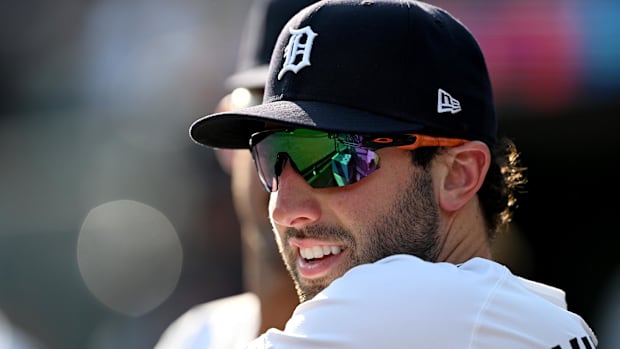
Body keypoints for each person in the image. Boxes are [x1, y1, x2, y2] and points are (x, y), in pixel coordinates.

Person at [188, 0, 599, 348]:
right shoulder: (540, 315)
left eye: (335, 156)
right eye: (271, 156)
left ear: (458, 174)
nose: (282, 208)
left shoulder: (395, 300)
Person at [154, 0, 317, 348]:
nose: (291, 167)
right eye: (263, 128)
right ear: (227, 139)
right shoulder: (195, 337)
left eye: (320, 138)